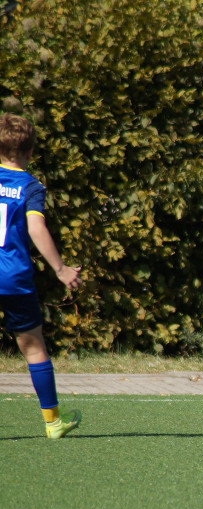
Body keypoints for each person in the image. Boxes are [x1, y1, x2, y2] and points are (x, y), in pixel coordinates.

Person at [0, 113, 83, 438]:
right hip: (14, 278)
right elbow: (36, 227)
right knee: (33, 347)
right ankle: (53, 423)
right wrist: (60, 270)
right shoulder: (31, 187)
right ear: (31, 151)